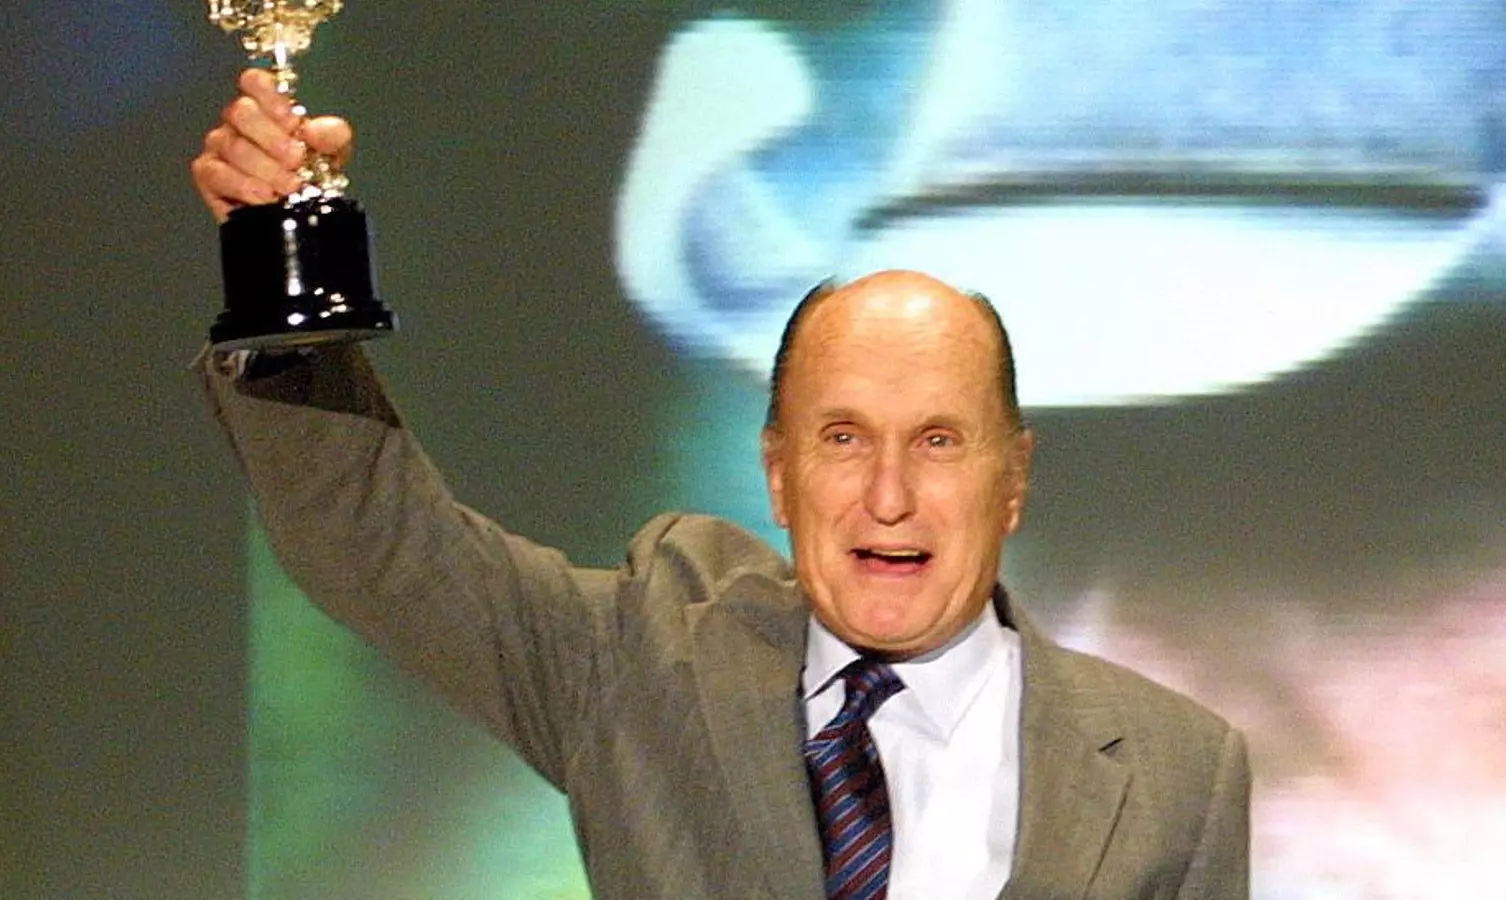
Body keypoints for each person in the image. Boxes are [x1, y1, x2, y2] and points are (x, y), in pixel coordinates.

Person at [192, 69, 1250, 900]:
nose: (888, 496)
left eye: (936, 441)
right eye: (843, 439)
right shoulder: (643, 663)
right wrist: (282, 285)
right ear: (777, 475)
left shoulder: (1178, 772)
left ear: (1011, 479)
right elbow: (378, 547)